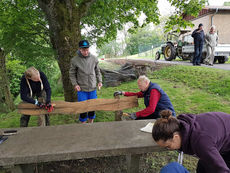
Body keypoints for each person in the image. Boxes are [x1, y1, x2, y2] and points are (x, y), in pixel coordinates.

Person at [152, 110, 230, 173]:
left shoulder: (201, 143)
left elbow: (222, 170)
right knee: (203, 165)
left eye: (168, 146)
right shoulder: (179, 126)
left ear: (175, 137)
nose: (169, 149)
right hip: (219, 134)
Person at [69, 40, 102, 123]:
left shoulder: (94, 58)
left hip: (92, 88)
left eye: (87, 49)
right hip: (81, 89)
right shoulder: (75, 60)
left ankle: (91, 124)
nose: (86, 52)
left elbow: (98, 71)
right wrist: (75, 84)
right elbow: (72, 74)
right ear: (80, 49)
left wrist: (99, 81)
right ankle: (83, 126)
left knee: (92, 108)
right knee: (83, 109)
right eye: (83, 50)